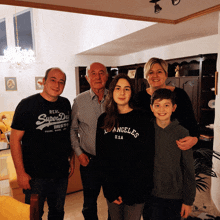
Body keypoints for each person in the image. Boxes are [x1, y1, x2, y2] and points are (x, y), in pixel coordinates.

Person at [10, 68, 74, 220]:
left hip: (60, 173)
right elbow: (14, 140)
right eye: (53, 79)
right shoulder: (26, 105)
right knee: (34, 214)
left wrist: (72, 159)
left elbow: (67, 135)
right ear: (43, 81)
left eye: (61, 82)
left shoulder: (65, 104)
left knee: (58, 213)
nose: (57, 85)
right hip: (35, 176)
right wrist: (20, 173)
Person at [96, 74, 155, 220]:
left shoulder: (143, 119)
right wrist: (109, 190)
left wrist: (136, 189)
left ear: (131, 93)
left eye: (126, 89)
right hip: (112, 187)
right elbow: (101, 157)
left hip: (136, 188)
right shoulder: (103, 119)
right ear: (111, 92)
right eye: (118, 88)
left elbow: (147, 158)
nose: (122, 93)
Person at [70, 62, 110, 220]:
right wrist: (79, 153)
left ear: (106, 77)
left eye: (101, 73)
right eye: (93, 73)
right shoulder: (79, 101)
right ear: (87, 78)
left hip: (112, 162)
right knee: (89, 204)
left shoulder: (115, 98)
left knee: (113, 200)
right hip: (89, 162)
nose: (98, 77)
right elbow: (72, 130)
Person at [149, 88, 196, 220]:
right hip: (150, 193)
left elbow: (188, 169)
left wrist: (188, 201)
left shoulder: (182, 133)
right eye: (157, 105)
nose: (162, 109)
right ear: (151, 108)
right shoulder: (147, 131)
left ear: (174, 107)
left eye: (166, 105)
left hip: (174, 195)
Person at [134, 57, 198, 150]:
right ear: (146, 76)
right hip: (147, 149)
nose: (155, 75)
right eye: (151, 72)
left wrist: (194, 139)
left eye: (159, 72)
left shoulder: (180, 95)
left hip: (175, 148)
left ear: (166, 74)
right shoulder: (138, 98)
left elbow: (191, 122)